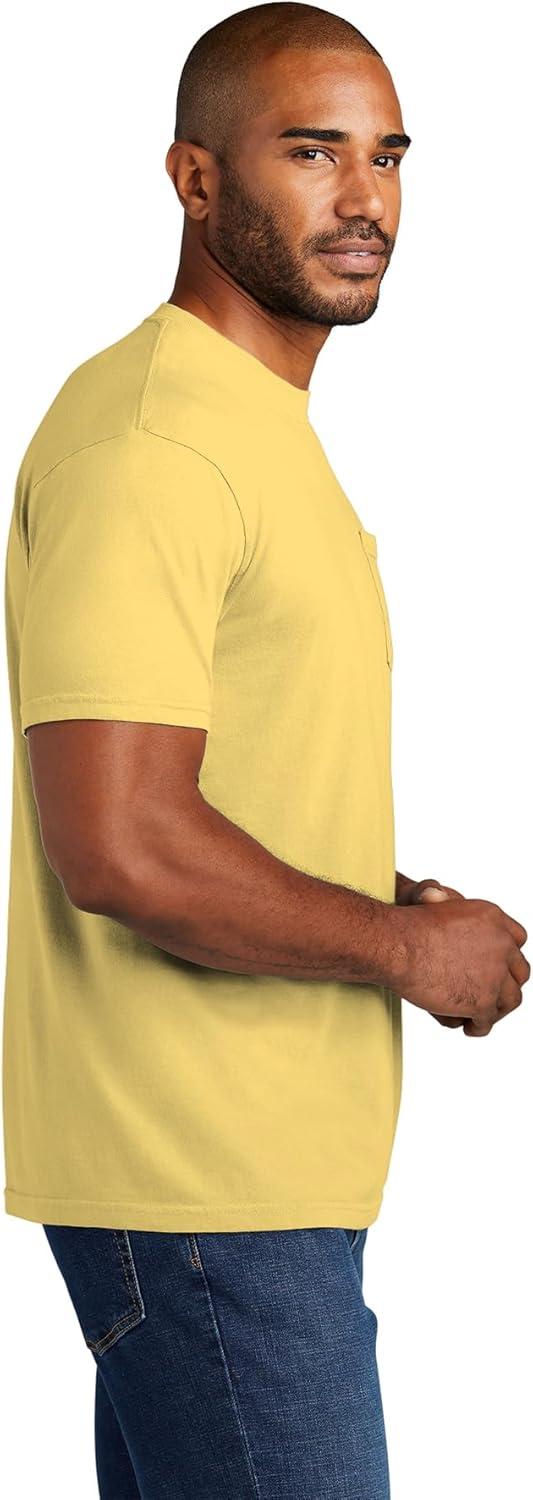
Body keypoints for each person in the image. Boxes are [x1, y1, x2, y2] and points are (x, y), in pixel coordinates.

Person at [3, 4, 529, 1496]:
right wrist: (398, 948)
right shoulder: (154, 442)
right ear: (195, 179)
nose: (363, 200)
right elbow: (120, 843)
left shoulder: (250, 427)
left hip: (253, 1180)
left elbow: (213, 787)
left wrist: (383, 893)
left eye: (386, 157)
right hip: (203, 1183)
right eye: (311, 153)